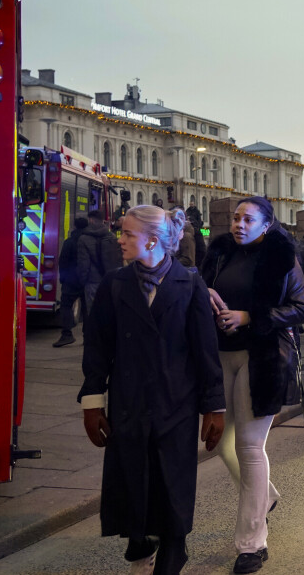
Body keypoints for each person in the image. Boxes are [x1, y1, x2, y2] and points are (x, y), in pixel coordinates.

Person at [78, 205, 225, 575]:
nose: (120, 239)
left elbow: (205, 350)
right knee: (132, 478)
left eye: (127, 233)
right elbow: (97, 347)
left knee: (172, 482)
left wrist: (214, 408)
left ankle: (174, 551)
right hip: (128, 401)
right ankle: (139, 546)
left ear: (153, 240)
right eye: (121, 232)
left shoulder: (190, 284)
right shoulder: (115, 284)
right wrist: (93, 402)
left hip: (176, 402)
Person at [200, 196, 304, 574]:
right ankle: (267, 497)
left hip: (261, 357)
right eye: (235, 217)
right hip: (219, 355)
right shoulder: (218, 254)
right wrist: (206, 298)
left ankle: (251, 544)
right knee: (223, 446)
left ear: (266, 226)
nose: (239, 224)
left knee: (248, 446)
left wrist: (248, 316)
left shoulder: (282, 256)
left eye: (248, 219)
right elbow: (199, 292)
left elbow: (301, 308)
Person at [77, 210, 123, 318]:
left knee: (93, 313)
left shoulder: (83, 239)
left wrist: (82, 281)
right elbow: (117, 260)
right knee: (108, 311)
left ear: (91, 220)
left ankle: (94, 334)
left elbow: (83, 264)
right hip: (109, 280)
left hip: (92, 281)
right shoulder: (111, 236)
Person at [54, 215, 88, 347]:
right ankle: (87, 337)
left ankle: (66, 334)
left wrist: (63, 279)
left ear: (74, 226)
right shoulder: (90, 241)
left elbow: (63, 262)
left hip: (71, 280)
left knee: (66, 306)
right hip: (86, 280)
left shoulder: (69, 242)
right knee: (87, 309)